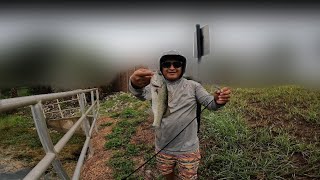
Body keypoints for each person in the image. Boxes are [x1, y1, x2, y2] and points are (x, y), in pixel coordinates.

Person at [129, 50, 231, 180]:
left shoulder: (194, 86)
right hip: (163, 146)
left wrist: (218, 100)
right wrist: (134, 84)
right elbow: (139, 94)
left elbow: (210, 104)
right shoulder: (155, 86)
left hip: (188, 149)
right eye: (166, 64)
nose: (172, 67)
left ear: (182, 67)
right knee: (167, 174)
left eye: (177, 64)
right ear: (161, 68)